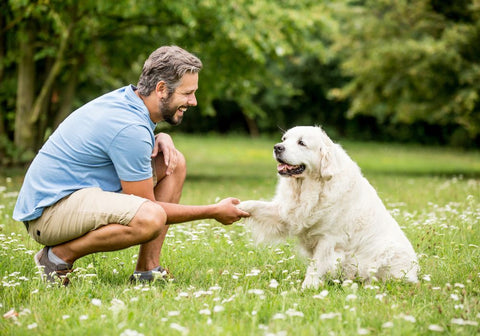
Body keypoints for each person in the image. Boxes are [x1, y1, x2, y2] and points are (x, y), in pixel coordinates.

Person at [13, 45, 250, 285]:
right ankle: (56, 259)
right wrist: (212, 211)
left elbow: (121, 144)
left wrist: (160, 138)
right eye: (187, 93)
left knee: (173, 162)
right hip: (48, 213)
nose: (194, 101)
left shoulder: (130, 101)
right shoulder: (130, 127)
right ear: (161, 89)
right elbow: (147, 206)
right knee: (150, 217)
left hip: (69, 197)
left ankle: (147, 270)